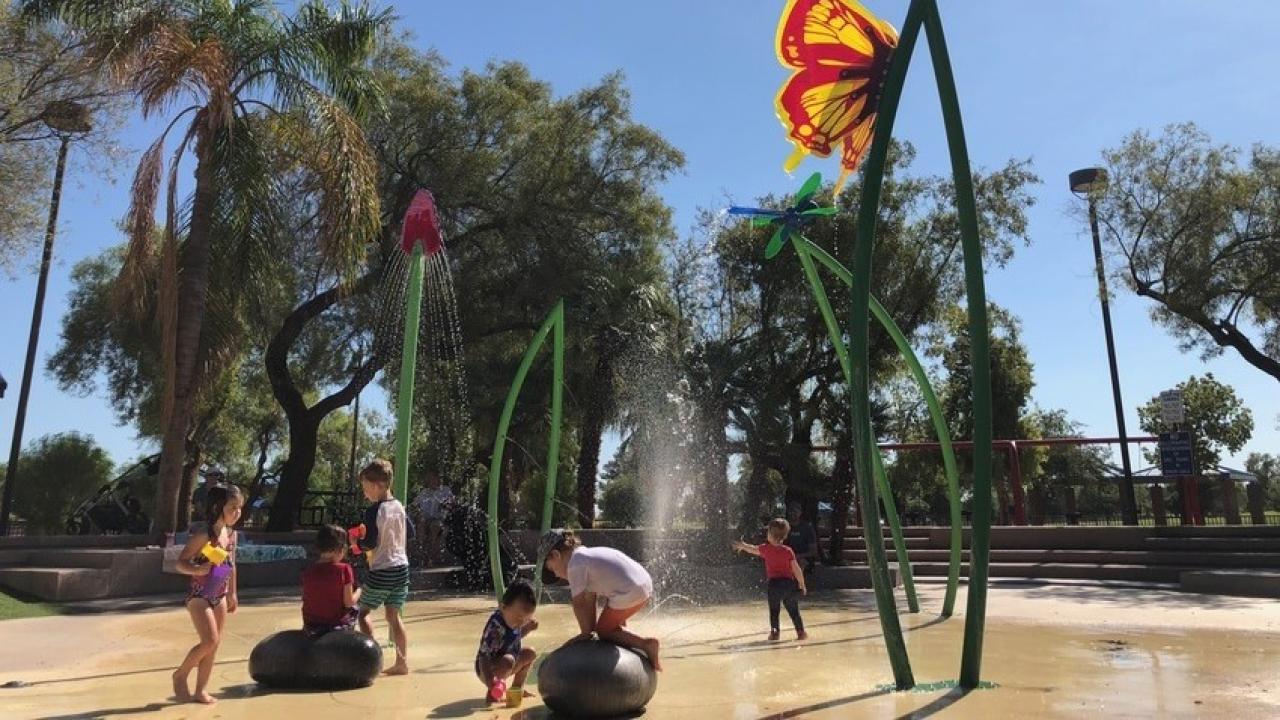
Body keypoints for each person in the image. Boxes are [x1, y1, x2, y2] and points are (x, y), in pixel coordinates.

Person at [539, 529, 662, 671]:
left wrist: (585, 634)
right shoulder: (586, 556)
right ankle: (623, 638)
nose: (556, 574)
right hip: (643, 585)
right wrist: (590, 630)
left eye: (551, 568)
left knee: (604, 631)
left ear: (556, 555)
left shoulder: (575, 564)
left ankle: (646, 644)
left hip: (629, 591)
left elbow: (579, 604)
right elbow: (591, 598)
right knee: (609, 626)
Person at [172, 484, 243, 704]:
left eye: (240, 508)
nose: (237, 512)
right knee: (209, 641)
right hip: (200, 595)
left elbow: (232, 565)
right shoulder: (205, 534)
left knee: (215, 644)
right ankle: (180, 674)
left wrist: (232, 593)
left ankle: (201, 689)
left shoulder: (231, 535)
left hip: (219, 594)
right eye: (233, 507)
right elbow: (180, 563)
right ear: (219, 507)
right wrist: (196, 569)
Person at [355, 459, 412, 675]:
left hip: (382, 570)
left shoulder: (373, 511)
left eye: (366, 487)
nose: (365, 492)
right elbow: (411, 533)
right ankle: (402, 662)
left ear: (378, 485)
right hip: (401, 568)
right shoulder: (399, 506)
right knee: (394, 617)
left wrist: (356, 543)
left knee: (363, 613)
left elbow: (369, 543)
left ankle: (373, 659)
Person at [733, 518, 809, 642]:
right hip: (788, 584)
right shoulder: (788, 551)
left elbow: (753, 549)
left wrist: (743, 546)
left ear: (769, 534)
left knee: (774, 611)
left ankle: (775, 633)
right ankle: (800, 632)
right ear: (784, 536)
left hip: (774, 585)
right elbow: (796, 569)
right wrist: (802, 584)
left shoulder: (766, 549)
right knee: (793, 610)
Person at [475, 580, 539, 707]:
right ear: (502, 607)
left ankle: (517, 688)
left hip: (508, 663)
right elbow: (484, 657)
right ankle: (492, 694)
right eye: (519, 618)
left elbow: (515, 637)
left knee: (530, 653)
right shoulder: (496, 628)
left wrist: (528, 628)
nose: (521, 623)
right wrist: (490, 681)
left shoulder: (513, 619)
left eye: (526, 619)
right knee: (508, 659)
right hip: (487, 669)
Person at [301, 525, 361, 636]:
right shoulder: (344, 569)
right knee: (356, 608)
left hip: (311, 625)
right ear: (340, 549)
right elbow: (348, 603)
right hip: (335, 626)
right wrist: (360, 591)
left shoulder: (308, 571)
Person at [413, 470, 453, 567]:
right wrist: (417, 511)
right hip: (426, 519)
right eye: (428, 479)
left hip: (440, 519)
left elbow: (451, 505)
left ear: (437, 479)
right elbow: (415, 505)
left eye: (432, 478)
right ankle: (421, 555)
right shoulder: (424, 493)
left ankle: (431, 557)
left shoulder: (445, 490)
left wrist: (444, 505)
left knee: (434, 527)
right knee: (421, 523)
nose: (430, 481)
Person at [785, 503, 820, 573]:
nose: (793, 513)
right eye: (791, 511)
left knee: (801, 562)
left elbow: (813, 551)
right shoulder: (784, 527)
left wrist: (797, 556)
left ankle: (799, 581)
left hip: (803, 557)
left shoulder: (807, 528)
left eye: (795, 511)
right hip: (787, 556)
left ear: (800, 513)